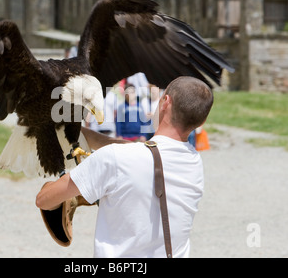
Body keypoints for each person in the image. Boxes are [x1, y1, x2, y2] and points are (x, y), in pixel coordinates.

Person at [36, 77, 214, 258]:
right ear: (202, 121)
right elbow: (147, 153)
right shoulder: (194, 163)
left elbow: (44, 200)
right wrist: (76, 132)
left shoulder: (113, 159)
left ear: (165, 102)